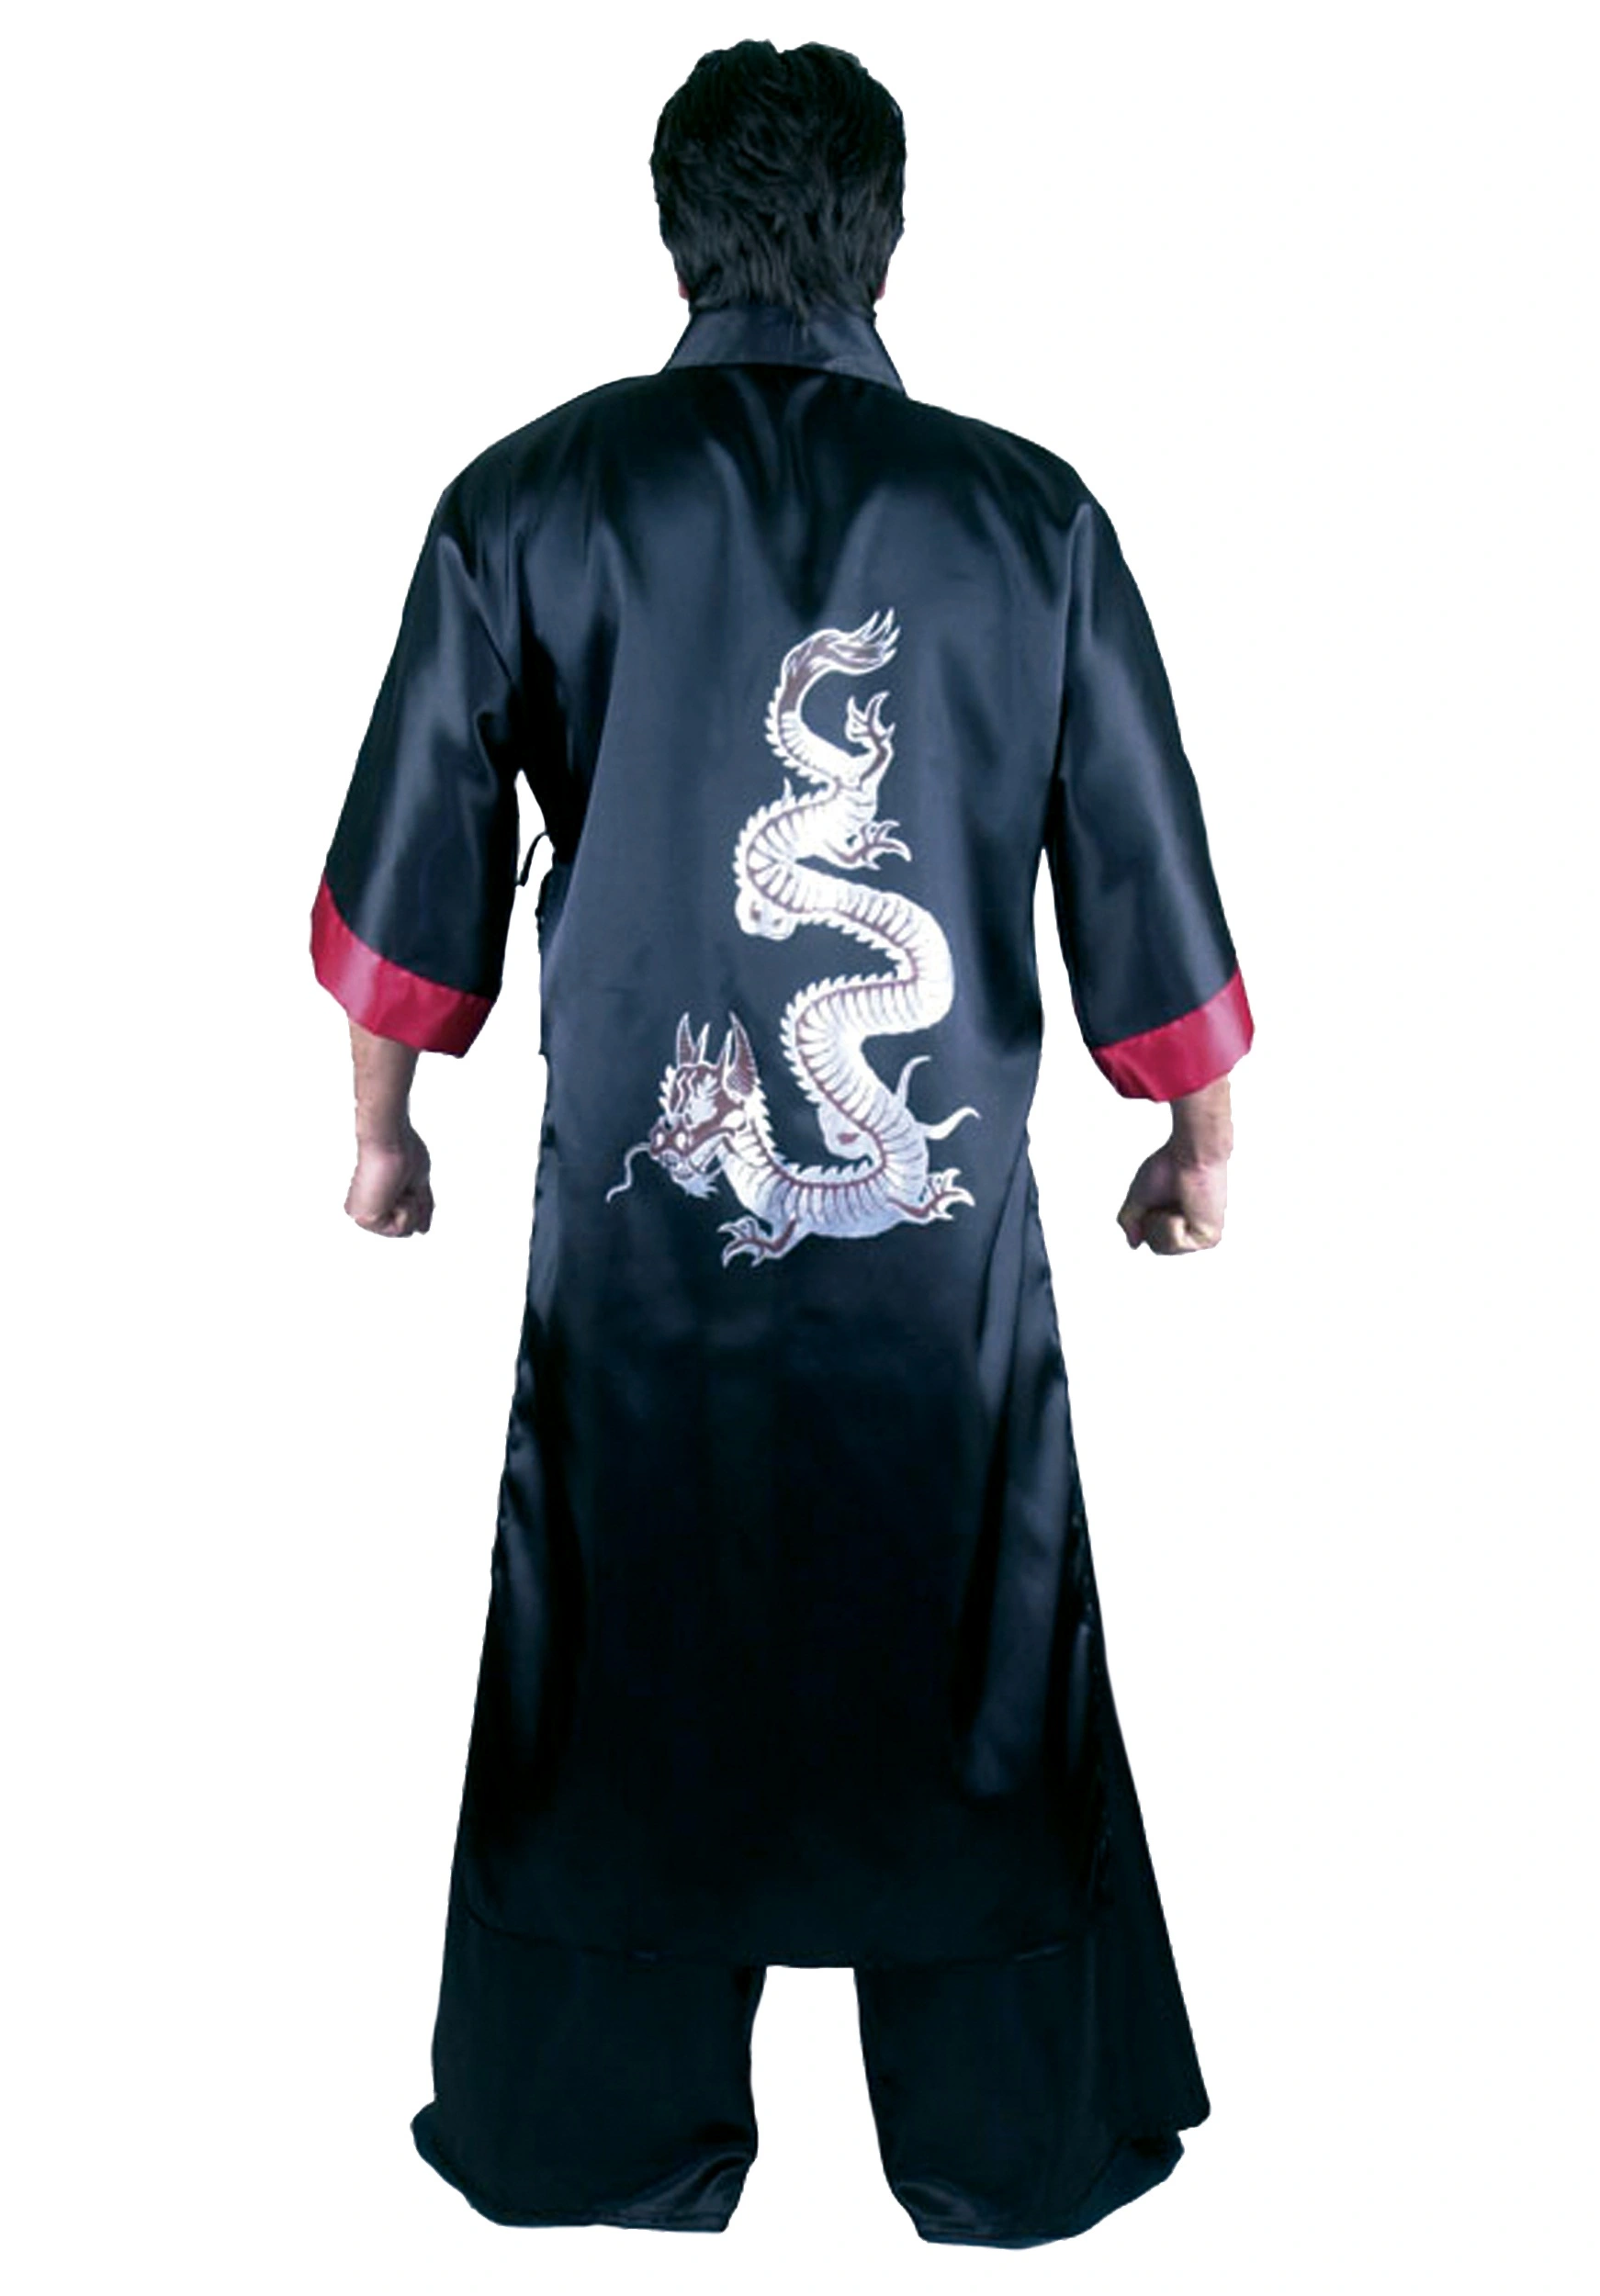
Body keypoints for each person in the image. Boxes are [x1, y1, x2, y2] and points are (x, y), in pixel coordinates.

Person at [310, 37, 1252, 2248]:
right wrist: (1196, 1143)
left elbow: (413, 878)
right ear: (884, 234)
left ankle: (589, 2136)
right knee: (975, 1649)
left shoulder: (529, 498)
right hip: (934, 1285)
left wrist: (384, 1137)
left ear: (674, 231)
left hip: (640, 1256)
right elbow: (1140, 869)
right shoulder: (1025, 518)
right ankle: (1008, 2144)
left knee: (610, 1651)